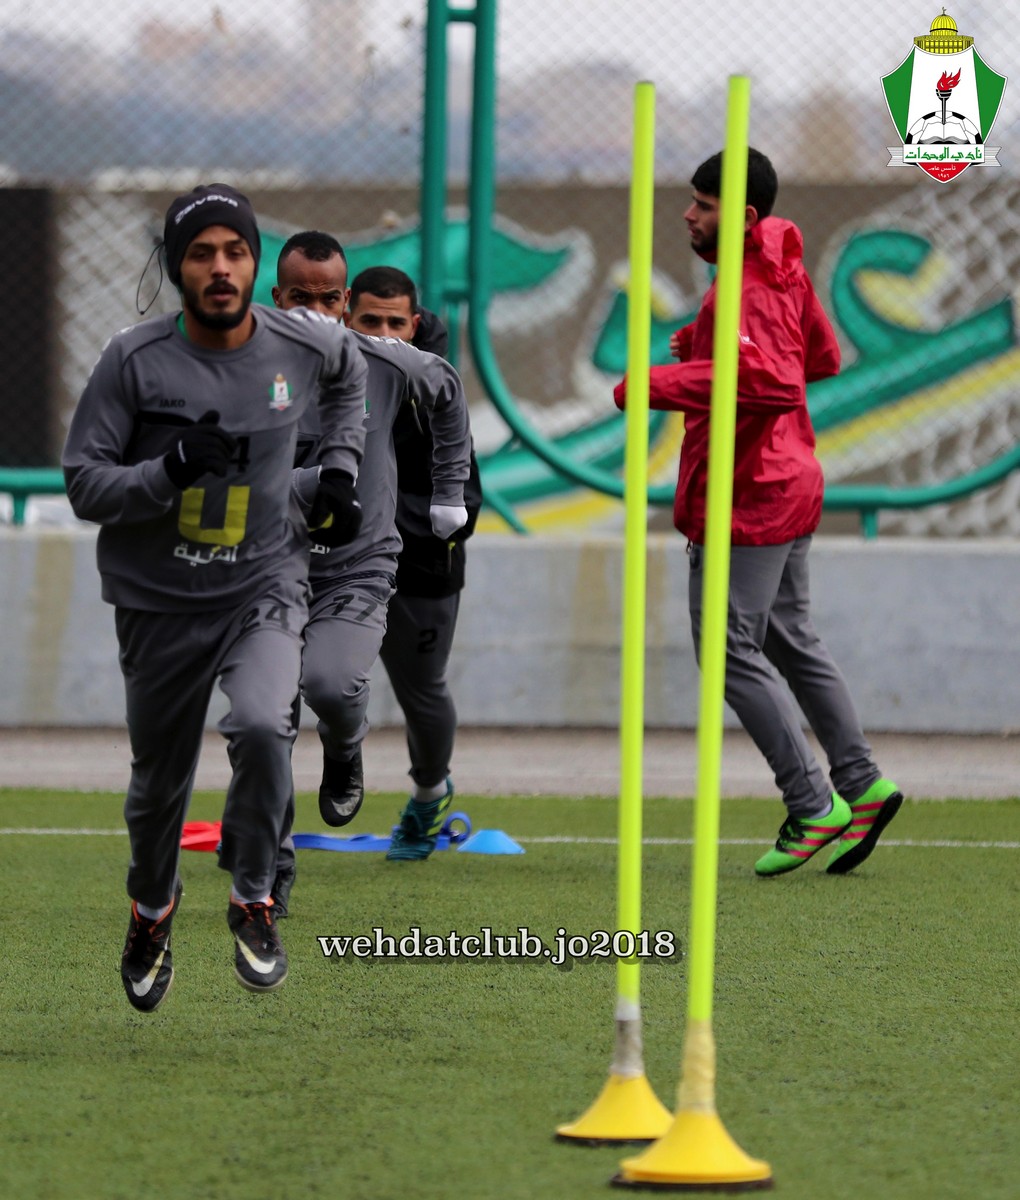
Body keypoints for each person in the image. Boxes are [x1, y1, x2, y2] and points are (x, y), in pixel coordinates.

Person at [62, 186, 368, 1011]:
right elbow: (84, 483)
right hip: (158, 598)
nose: (222, 268)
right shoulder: (132, 360)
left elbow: (351, 376)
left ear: (255, 264)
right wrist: (166, 471)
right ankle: (151, 910)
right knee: (158, 787)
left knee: (266, 725)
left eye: (236, 251)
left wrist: (340, 469)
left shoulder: (302, 341)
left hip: (261, 583)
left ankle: (254, 896)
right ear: (177, 266)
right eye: (202, 253)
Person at [614, 149, 902, 877]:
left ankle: (812, 803)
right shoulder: (780, 266)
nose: (688, 214)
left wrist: (658, 382)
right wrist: (702, 350)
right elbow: (819, 358)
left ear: (743, 217)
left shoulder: (745, 282)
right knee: (790, 637)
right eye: (691, 200)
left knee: (727, 651)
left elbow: (773, 382)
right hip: (790, 479)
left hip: (750, 494)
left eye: (704, 205)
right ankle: (862, 784)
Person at [271, 234, 473, 899]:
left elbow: (451, 402)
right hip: (273, 568)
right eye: (300, 299)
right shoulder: (252, 364)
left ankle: (395, 774)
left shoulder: (392, 364)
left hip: (378, 565)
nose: (315, 313)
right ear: (276, 299)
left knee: (361, 687)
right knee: (265, 718)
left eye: (328, 299)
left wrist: (447, 499)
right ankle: (270, 865)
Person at [345, 267, 483, 862]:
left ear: (415, 324)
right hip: (337, 566)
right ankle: (264, 812)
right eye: (368, 321)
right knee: (294, 686)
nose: (382, 334)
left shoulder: (436, 388)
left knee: (422, 692)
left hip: (421, 572)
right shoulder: (321, 375)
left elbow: (465, 503)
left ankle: (429, 794)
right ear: (346, 317)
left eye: (394, 323)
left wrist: (376, 521)